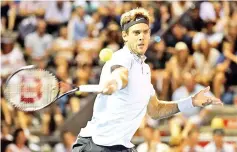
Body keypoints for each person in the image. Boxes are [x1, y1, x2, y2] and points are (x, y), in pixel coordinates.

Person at [72, 8, 222, 152]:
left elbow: (155, 110)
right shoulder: (122, 57)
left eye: (145, 32)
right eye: (136, 32)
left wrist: (191, 101)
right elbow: (121, 74)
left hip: (120, 146)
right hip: (95, 145)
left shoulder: (145, 70)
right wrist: (115, 83)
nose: (141, 37)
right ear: (125, 36)